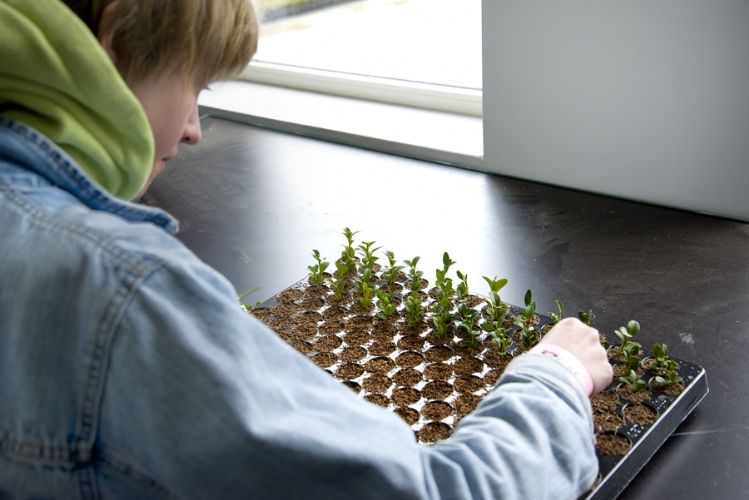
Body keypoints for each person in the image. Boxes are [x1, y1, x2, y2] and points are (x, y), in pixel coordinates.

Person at [0, 0, 613, 498]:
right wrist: (555, 374)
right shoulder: (123, 291)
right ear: (118, 42)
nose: (192, 129)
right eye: (195, 82)